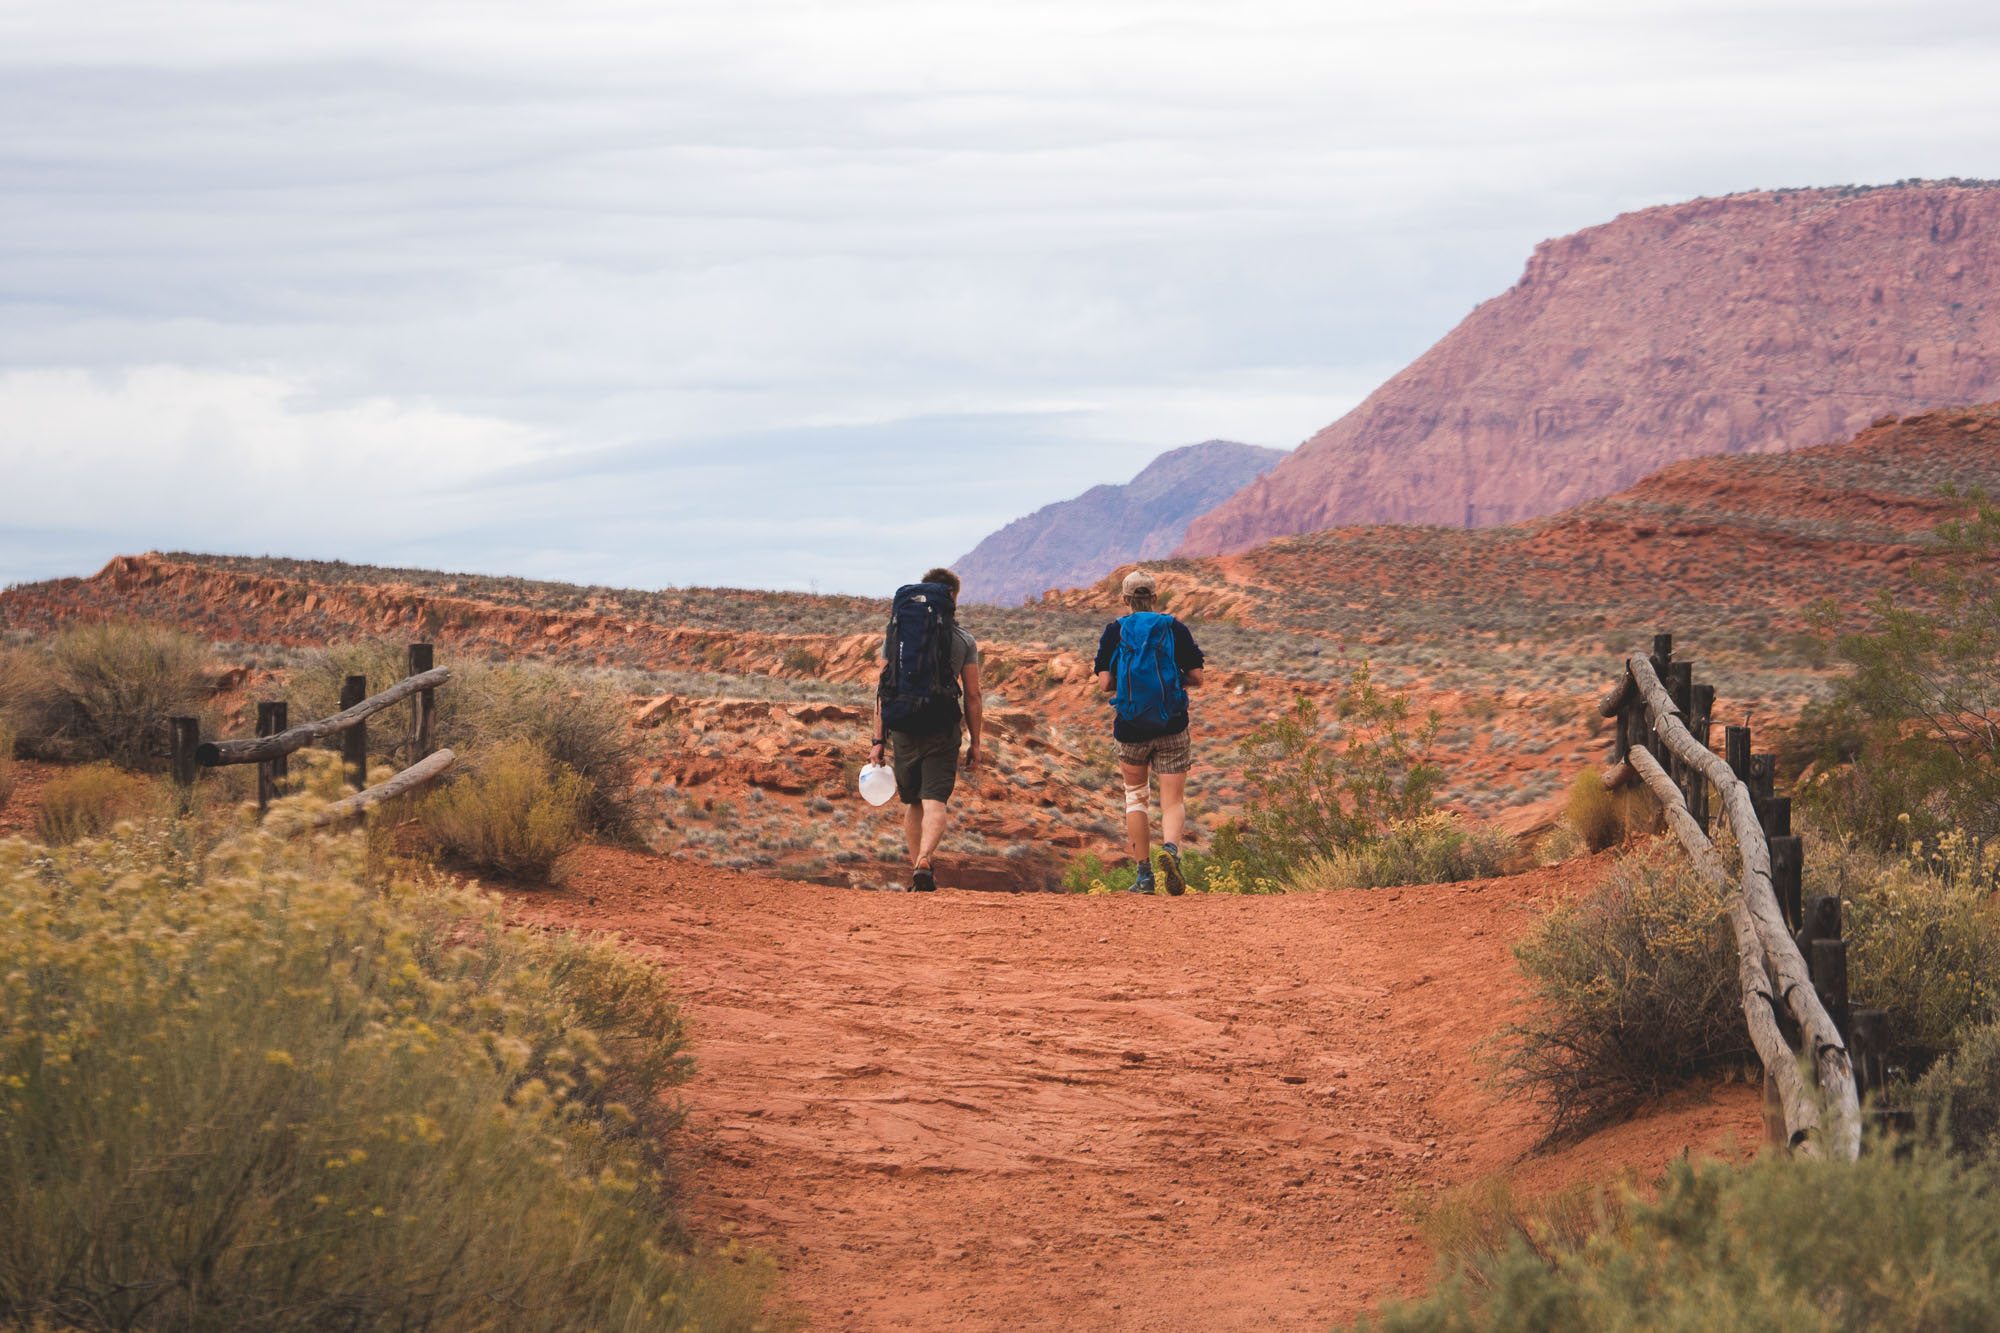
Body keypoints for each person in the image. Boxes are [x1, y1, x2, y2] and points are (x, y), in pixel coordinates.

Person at [870, 567, 982, 892]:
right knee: (935, 800)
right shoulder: (963, 640)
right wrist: (976, 742)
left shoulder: (896, 636)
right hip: (941, 727)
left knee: (913, 803)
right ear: (953, 598)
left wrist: (878, 740)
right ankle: (925, 860)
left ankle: (917, 873)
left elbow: (883, 689)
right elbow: (973, 696)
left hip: (903, 727)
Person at [1095, 568, 1205, 895]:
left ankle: (1144, 876)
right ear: (1156, 597)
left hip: (1130, 728)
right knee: (1172, 800)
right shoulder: (1174, 628)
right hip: (1171, 724)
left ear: (1125, 600)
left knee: (1136, 798)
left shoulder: (1114, 631)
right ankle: (1170, 851)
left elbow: (1104, 684)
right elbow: (1198, 678)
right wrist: (1172, 683)